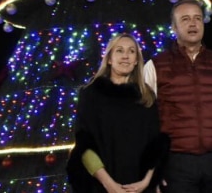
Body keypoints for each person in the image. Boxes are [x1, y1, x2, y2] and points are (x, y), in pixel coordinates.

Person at [143, 0, 212, 193]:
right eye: (185, 19)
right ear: (174, 27)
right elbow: (145, 120)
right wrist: (153, 168)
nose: (193, 24)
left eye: (197, 18)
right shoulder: (155, 65)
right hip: (175, 162)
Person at [67, 32, 169, 193]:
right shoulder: (90, 94)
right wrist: (110, 186)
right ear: (109, 58)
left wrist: (146, 182)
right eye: (119, 50)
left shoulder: (147, 96)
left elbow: (155, 145)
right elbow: (85, 146)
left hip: (140, 188)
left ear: (136, 61)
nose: (126, 56)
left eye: (131, 51)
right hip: (101, 186)